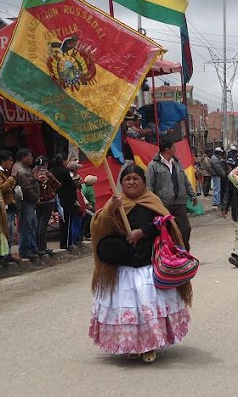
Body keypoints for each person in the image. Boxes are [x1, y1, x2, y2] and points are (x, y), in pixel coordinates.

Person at [89, 165, 192, 363]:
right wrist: (110, 209)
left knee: (148, 310)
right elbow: (99, 227)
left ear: (144, 183)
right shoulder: (116, 204)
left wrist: (142, 232)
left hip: (147, 267)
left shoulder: (152, 201)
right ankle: (132, 345)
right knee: (128, 311)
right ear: (121, 183)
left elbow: (165, 223)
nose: (131, 182)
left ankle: (149, 346)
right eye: (127, 179)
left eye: (136, 178)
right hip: (123, 270)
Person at [146, 139, 197, 251]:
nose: (175, 149)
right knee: (167, 231)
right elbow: (149, 185)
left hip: (179, 203)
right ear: (166, 149)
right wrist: (150, 204)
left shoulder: (177, 163)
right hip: (164, 205)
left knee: (185, 229)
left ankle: (185, 252)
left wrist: (192, 195)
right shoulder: (153, 165)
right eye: (173, 147)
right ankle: (171, 254)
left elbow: (185, 180)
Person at [0, 151, 21, 263]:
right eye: (10, 160)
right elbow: (0, 188)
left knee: (9, 231)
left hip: (10, 205)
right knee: (5, 231)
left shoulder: (5, 172)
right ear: (3, 161)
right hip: (4, 206)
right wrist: (11, 179)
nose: (12, 162)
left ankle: (7, 253)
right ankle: (3, 255)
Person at [11, 148, 40, 261]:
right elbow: (27, 188)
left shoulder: (24, 168)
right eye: (30, 156)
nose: (32, 158)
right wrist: (36, 198)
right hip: (25, 201)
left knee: (32, 224)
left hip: (28, 201)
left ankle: (32, 247)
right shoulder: (21, 170)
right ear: (23, 157)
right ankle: (25, 250)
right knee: (26, 226)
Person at [33, 156, 61, 256]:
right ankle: (43, 248)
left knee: (38, 223)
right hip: (48, 201)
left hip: (37, 201)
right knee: (43, 225)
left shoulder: (33, 172)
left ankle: (38, 246)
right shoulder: (47, 173)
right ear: (45, 163)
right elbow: (57, 184)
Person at [50, 154, 78, 250]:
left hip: (57, 199)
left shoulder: (52, 171)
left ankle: (63, 243)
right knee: (67, 222)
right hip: (66, 199)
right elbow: (71, 185)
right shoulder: (64, 172)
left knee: (62, 222)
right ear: (62, 161)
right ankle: (66, 243)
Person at [82, 175, 98, 240]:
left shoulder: (82, 186)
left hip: (82, 206)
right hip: (88, 206)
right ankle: (88, 234)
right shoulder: (90, 189)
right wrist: (93, 208)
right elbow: (92, 200)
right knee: (92, 218)